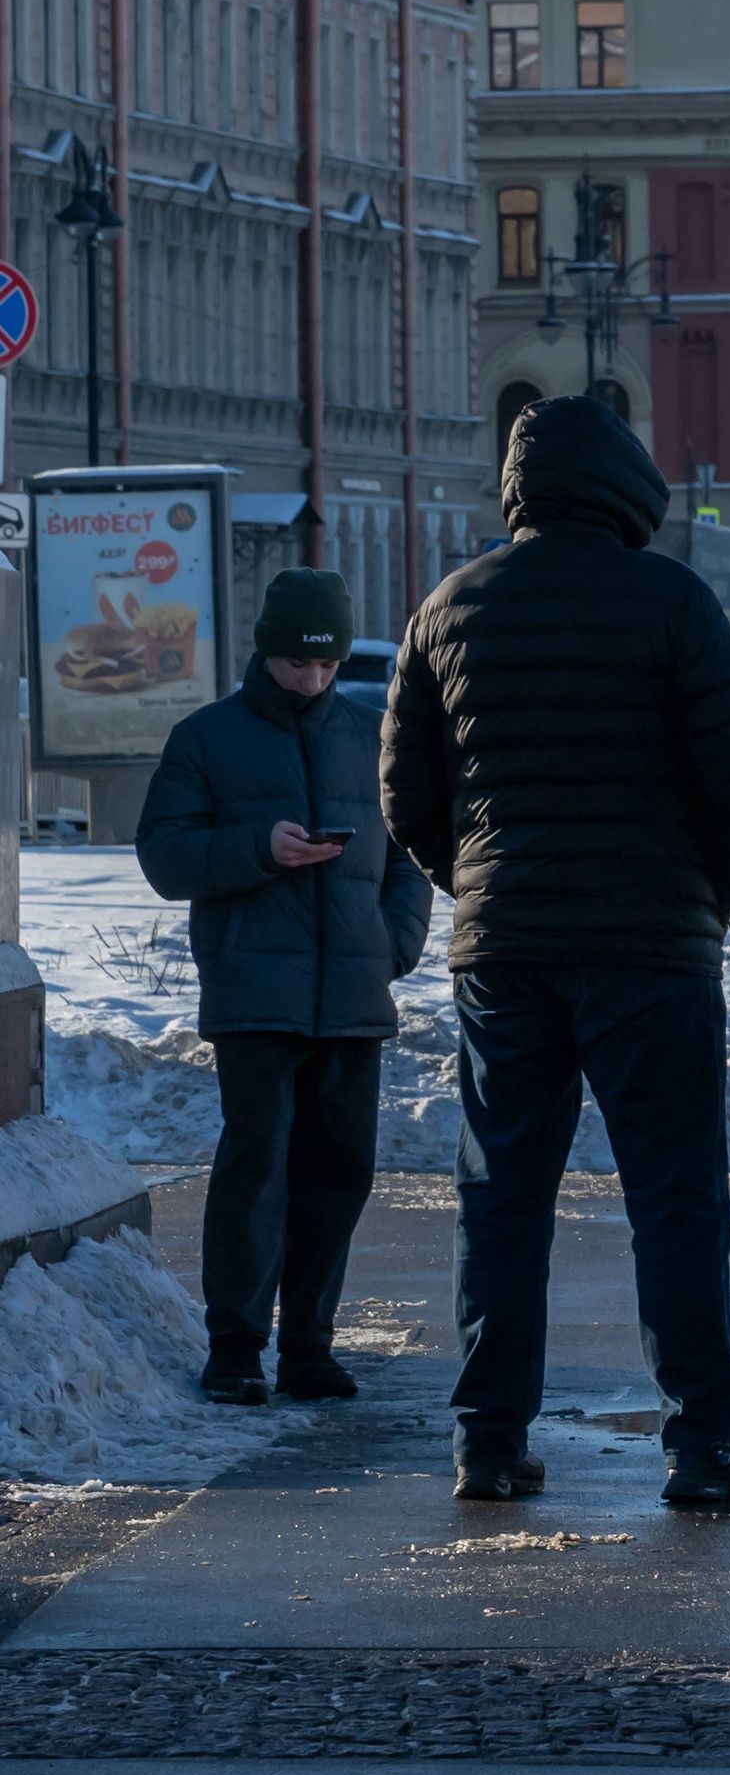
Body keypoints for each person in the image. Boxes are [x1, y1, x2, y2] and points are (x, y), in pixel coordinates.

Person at [384, 396, 730, 1509]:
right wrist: (713, 896)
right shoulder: (671, 601)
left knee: (501, 1197)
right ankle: (705, 1443)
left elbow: (406, 794)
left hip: (503, 950)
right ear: (625, 489)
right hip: (652, 949)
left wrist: (474, 886)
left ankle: (488, 1441)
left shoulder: (447, 607)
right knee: (675, 1197)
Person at [138, 567, 431, 1405]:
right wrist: (259, 848)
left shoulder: (371, 737)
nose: (312, 678)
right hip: (253, 995)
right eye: (297, 662)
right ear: (266, 651)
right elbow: (164, 855)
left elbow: (411, 853)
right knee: (255, 1169)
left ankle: (309, 1345)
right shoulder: (206, 738)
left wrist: (392, 944)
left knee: (339, 1174)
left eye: (327, 664)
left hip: (352, 1000)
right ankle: (234, 1348)